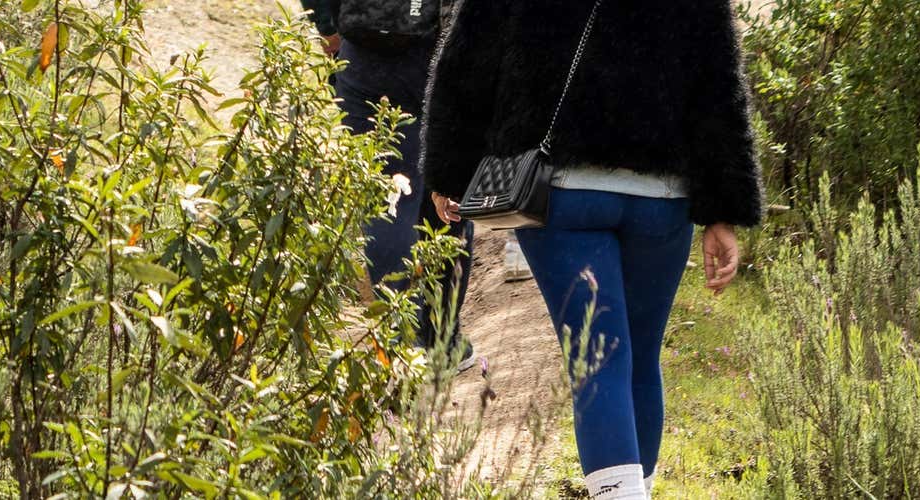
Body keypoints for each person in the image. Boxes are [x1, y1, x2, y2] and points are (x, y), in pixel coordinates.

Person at [421, 0, 763, 498]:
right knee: (641, 359)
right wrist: (724, 209)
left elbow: (470, 55)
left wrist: (450, 170)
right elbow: (717, 78)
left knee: (597, 362)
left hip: (562, 193)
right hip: (662, 198)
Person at [300, 0, 477, 372]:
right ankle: (441, 341)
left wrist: (328, 26)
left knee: (388, 192)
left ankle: (400, 346)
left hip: (362, 49)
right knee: (449, 176)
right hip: (441, 46)